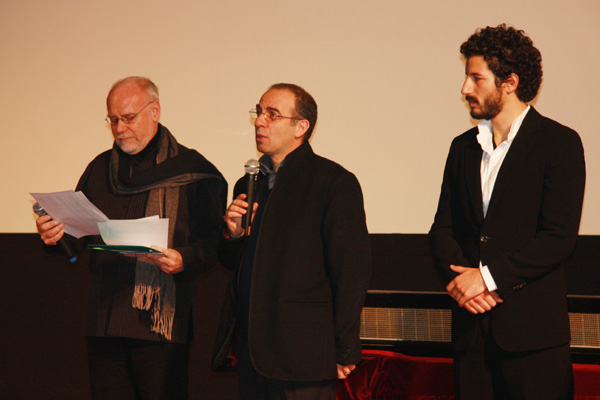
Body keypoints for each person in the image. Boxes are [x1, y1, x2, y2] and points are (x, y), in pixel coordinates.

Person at [35, 76, 227, 400]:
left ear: (155, 111)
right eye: (113, 119)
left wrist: (183, 260)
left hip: (160, 326)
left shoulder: (193, 171)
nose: (120, 128)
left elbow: (213, 243)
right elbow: (76, 238)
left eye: (129, 118)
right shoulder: (99, 169)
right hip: (104, 320)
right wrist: (54, 235)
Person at [429, 24, 586, 400]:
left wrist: (487, 279)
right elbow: (442, 229)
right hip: (472, 334)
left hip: (532, 339)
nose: (465, 89)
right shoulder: (462, 147)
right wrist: (463, 288)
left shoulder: (558, 142)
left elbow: (558, 238)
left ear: (510, 82)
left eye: (475, 78)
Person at [212, 83, 372, 399]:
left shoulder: (333, 182)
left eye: (272, 114)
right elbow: (234, 264)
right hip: (253, 351)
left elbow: (351, 271)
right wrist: (231, 235)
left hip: (303, 357)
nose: (259, 121)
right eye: (258, 112)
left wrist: (345, 347)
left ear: (301, 127)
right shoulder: (248, 182)